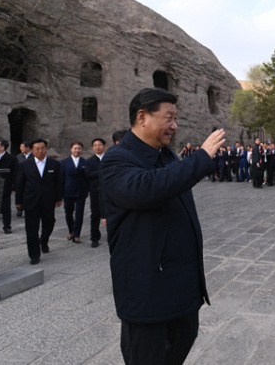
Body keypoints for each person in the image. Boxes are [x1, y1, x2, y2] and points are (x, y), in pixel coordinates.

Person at [100, 88, 225, 364]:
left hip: (181, 289)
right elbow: (146, 188)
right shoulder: (117, 159)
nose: (174, 125)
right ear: (142, 117)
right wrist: (201, 158)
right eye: (169, 118)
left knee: (180, 346)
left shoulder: (167, 156)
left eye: (176, 118)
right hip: (147, 291)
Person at [15, 139, 63, 264]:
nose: (40, 151)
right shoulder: (25, 165)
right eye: (37, 149)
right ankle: (34, 254)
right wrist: (18, 201)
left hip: (48, 200)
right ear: (32, 150)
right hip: (31, 200)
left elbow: (58, 182)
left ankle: (44, 240)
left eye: (42, 148)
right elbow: (19, 184)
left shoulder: (54, 164)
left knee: (49, 223)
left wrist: (59, 198)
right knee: (31, 228)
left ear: (46, 149)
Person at [0, 139, 18, 234]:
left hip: (5, 186)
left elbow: (15, 174)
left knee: (6, 208)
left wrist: (14, 187)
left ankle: (7, 226)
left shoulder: (11, 159)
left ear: (2, 147)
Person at [61, 141, 89, 244]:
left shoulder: (85, 162)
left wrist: (87, 190)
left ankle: (77, 234)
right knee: (68, 212)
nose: (77, 150)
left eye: (79, 148)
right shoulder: (64, 162)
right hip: (68, 190)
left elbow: (87, 177)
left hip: (81, 190)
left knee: (79, 213)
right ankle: (71, 231)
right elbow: (61, 178)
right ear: (71, 149)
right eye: (75, 148)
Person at [85, 138, 106, 248]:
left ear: (104, 146)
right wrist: (102, 172)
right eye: (95, 145)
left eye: (100, 145)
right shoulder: (89, 161)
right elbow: (88, 174)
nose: (98, 147)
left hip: (109, 190)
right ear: (93, 148)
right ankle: (94, 238)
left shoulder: (109, 158)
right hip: (95, 191)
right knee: (95, 215)